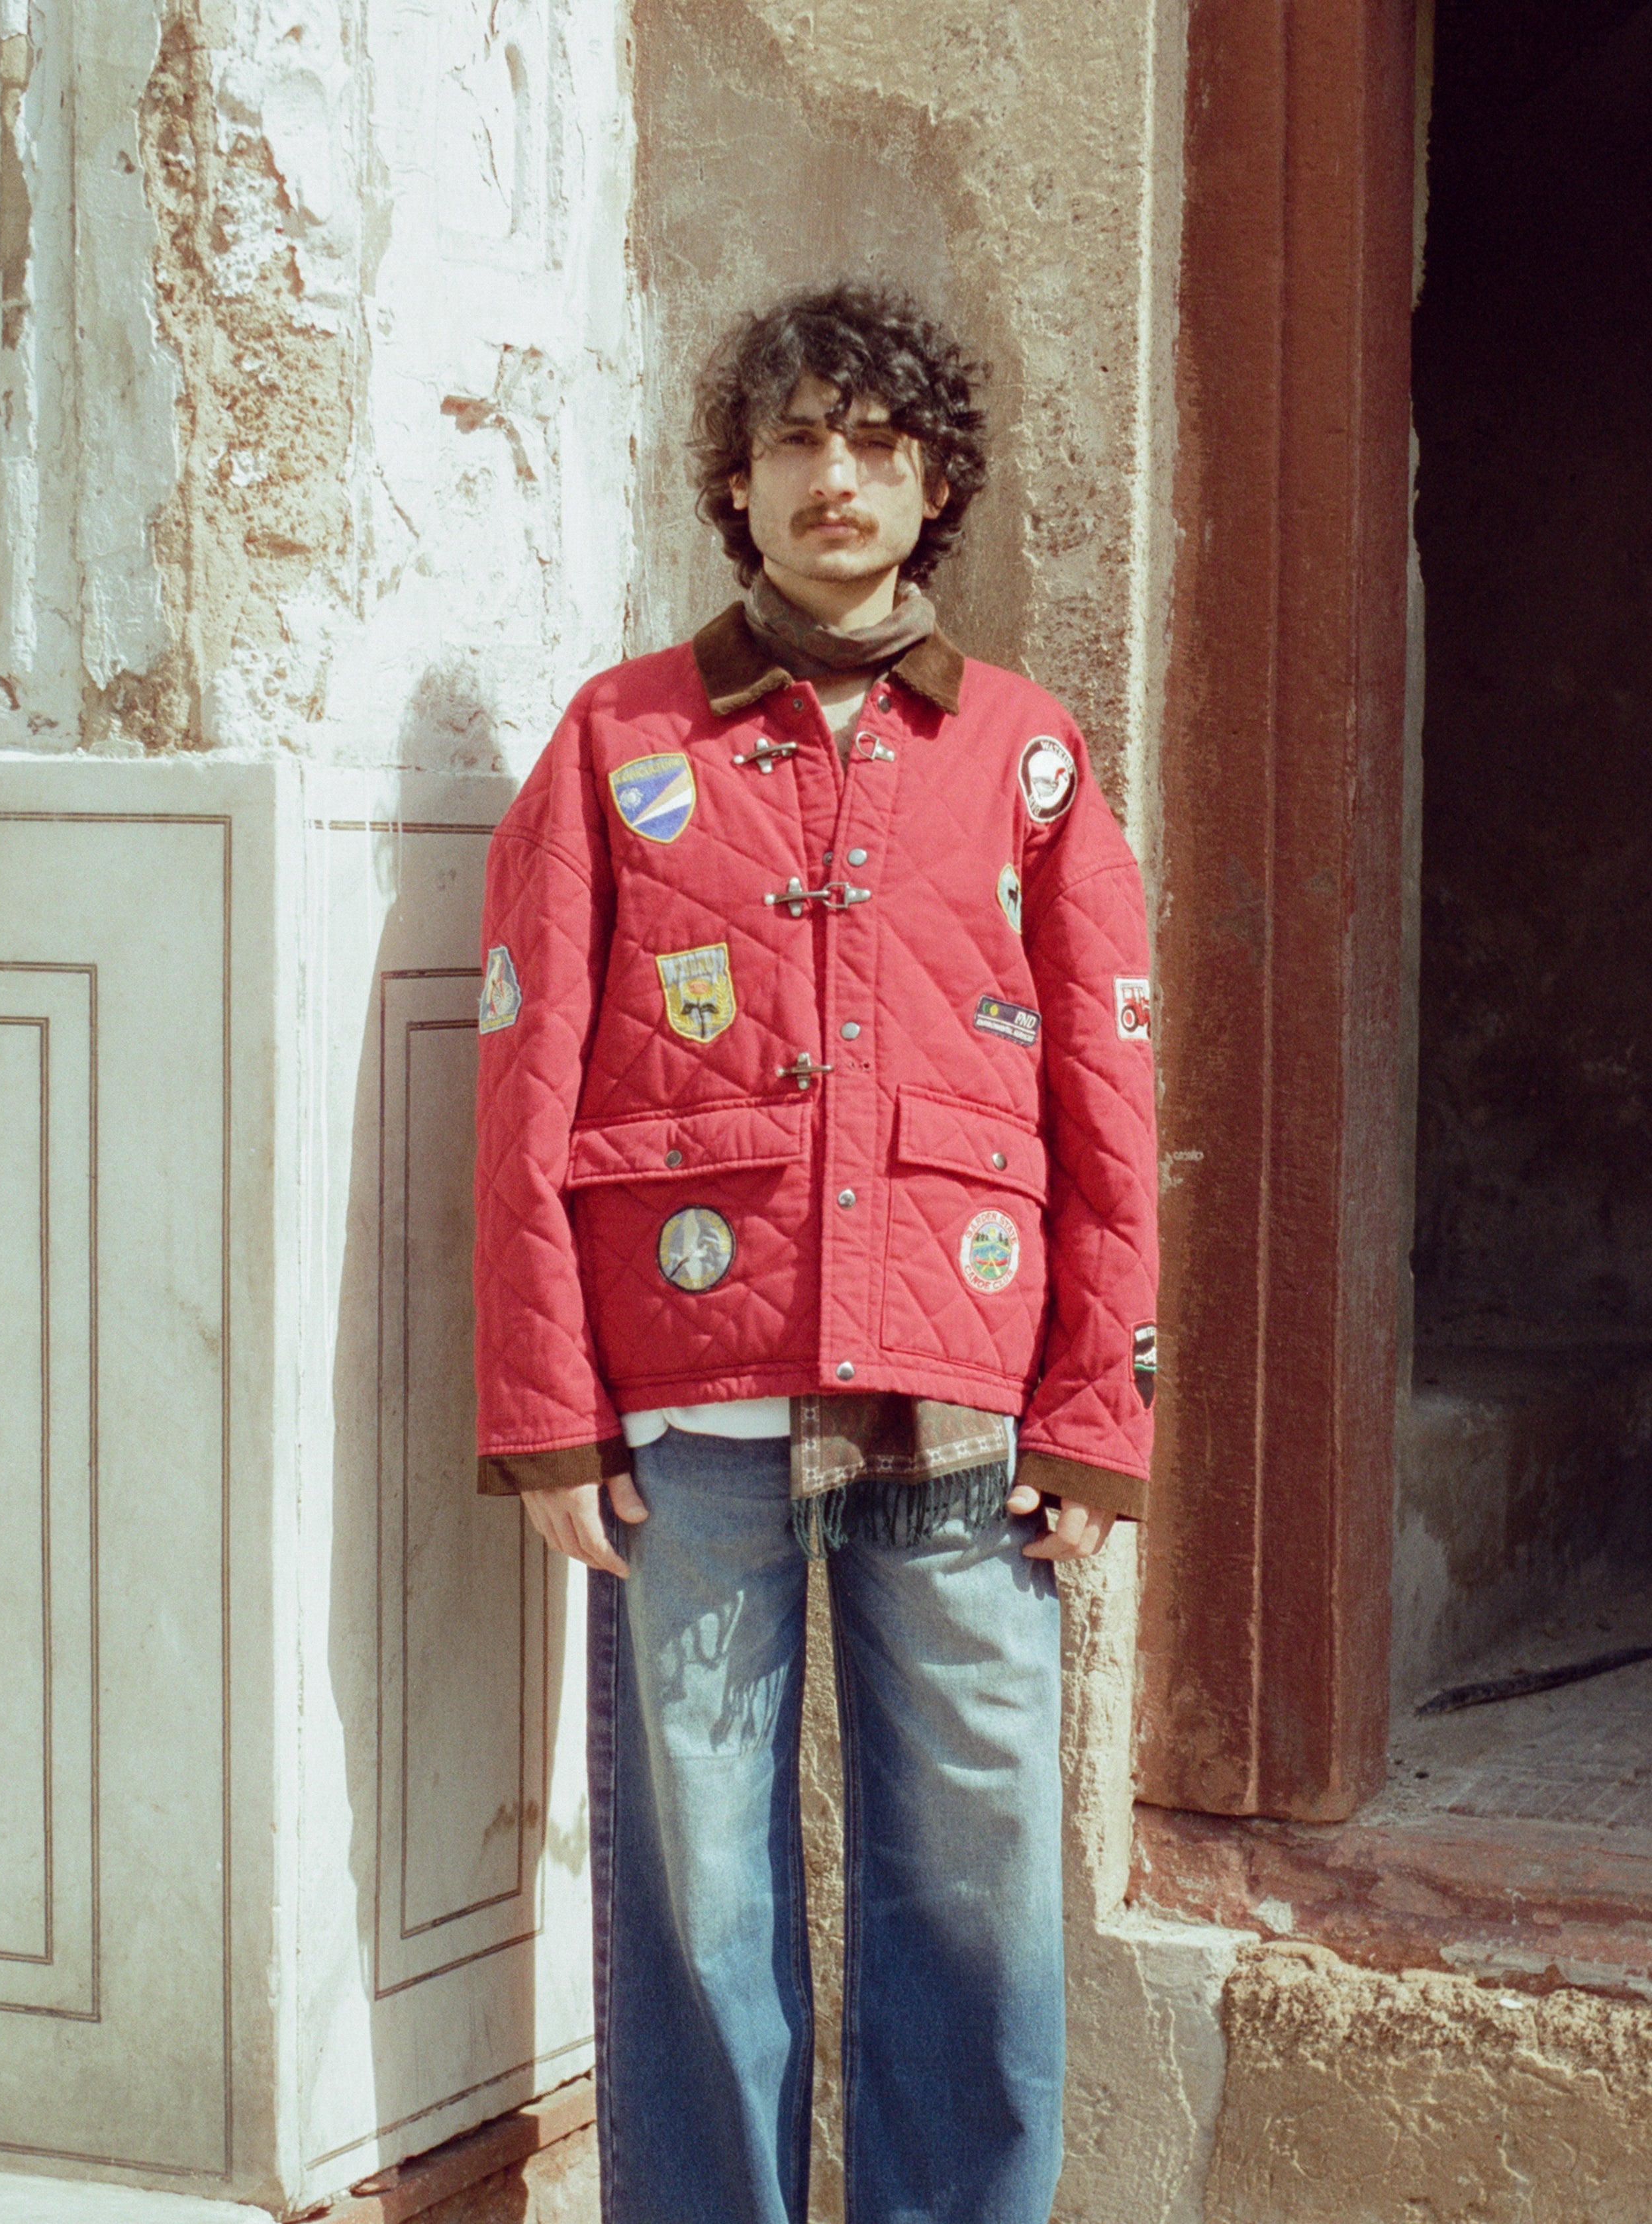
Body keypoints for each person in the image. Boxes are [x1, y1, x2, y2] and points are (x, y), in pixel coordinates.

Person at [473, 281, 1157, 2224]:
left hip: (962, 1404)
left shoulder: (1023, 751)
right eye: (795, 440)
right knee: (698, 1888)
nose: (835, 476)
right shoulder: (619, 738)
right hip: (690, 1414)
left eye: (876, 442)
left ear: (934, 484)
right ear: (738, 482)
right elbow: (523, 1068)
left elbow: (1109, 1090)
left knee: (976, 1879)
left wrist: (1092, 1410)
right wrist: (546, 1408)